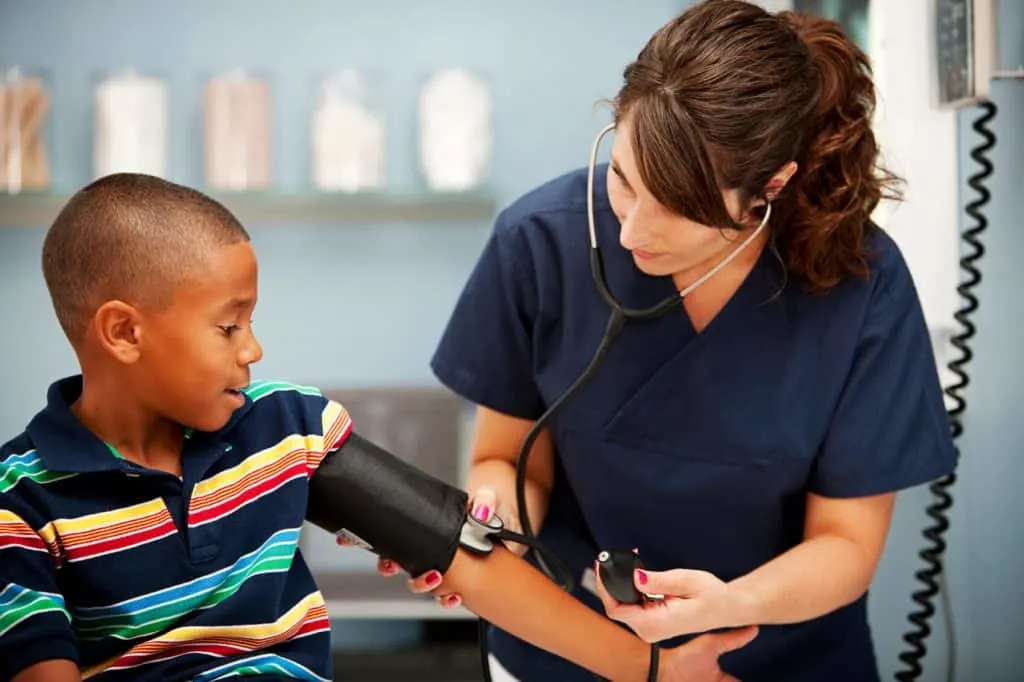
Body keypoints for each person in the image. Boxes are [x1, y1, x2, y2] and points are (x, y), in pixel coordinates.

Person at [363, 1, 958, 681]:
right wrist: (490, 528)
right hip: (567, 653)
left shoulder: (859, 283)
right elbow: (508, 462)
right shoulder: (539, 241)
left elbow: (847, 545)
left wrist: (728, 605)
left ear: (770, 185)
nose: (631, 231)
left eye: (678, 205)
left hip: (776, 658)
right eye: (623, 178)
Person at [0, 173, 754, 682]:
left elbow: (467, 559)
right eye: (228, 327)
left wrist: (650, 670)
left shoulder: (285, 428)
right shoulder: (21, 503)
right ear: (123, 333)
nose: (253, 349)